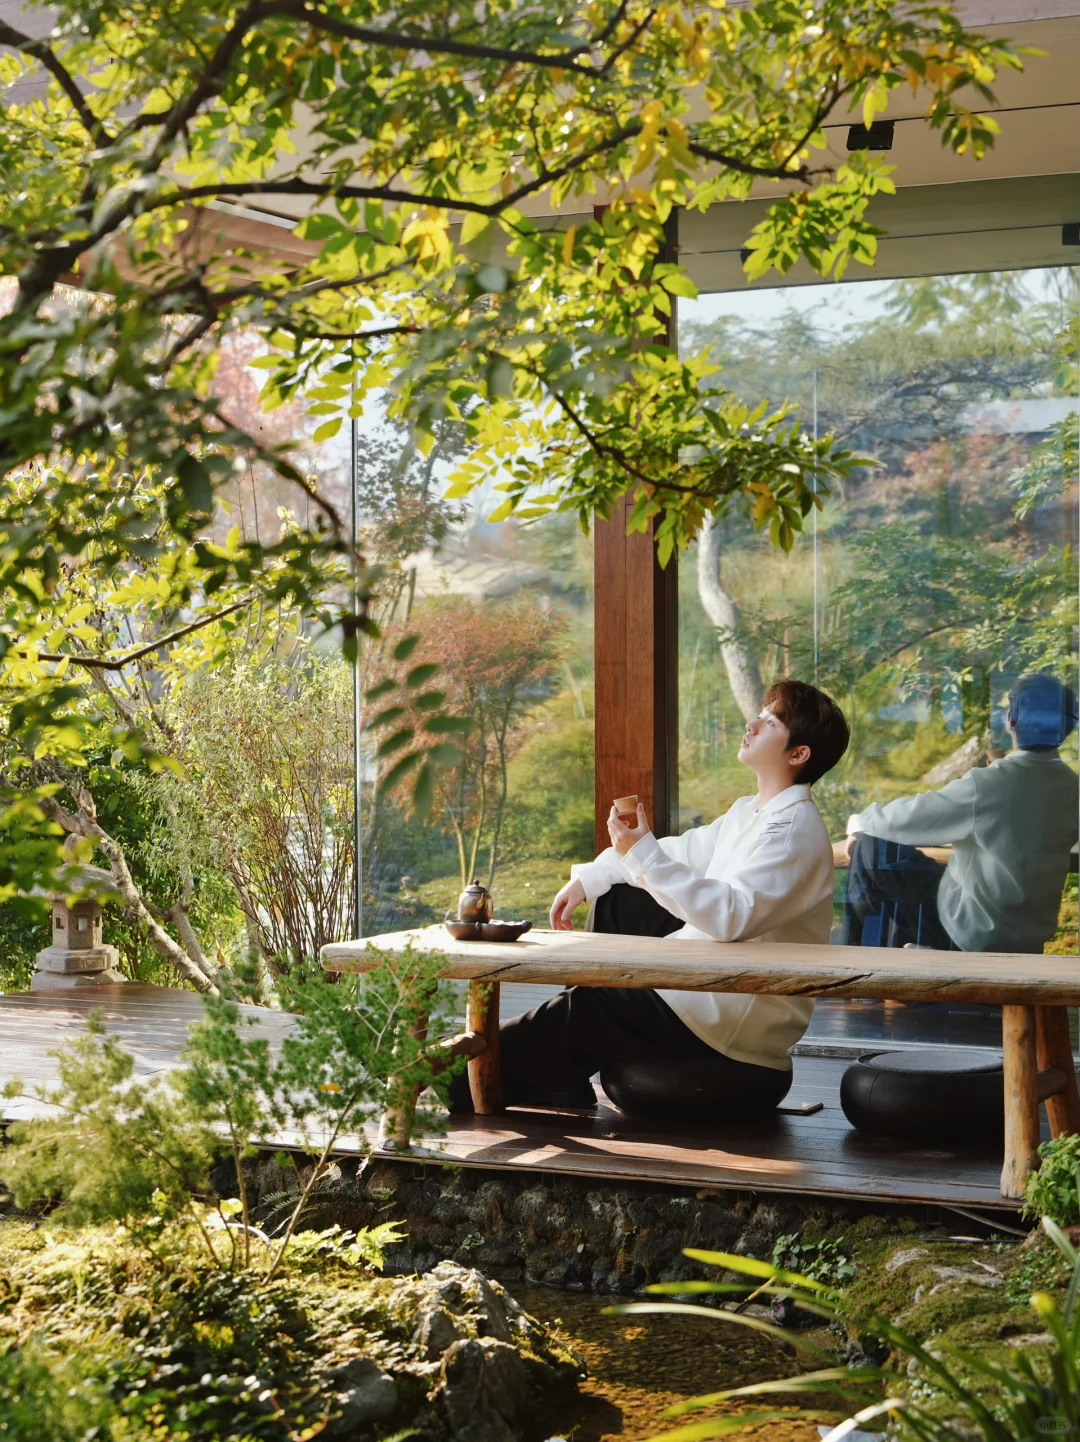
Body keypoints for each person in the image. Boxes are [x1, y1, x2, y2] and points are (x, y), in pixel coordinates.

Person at [448, 679, 850, 1115]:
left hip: (737, 1010)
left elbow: (731, 916)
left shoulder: (793, 830)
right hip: (710, 974)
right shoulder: (750, 811)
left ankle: (454, 1080)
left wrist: (640, 855)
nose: (752, 724)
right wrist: (594, 875)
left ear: (798, 754)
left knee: (598, 1001)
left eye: (770, 721)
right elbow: (681, 853)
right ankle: (560, 1078)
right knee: (619, 896)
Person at [842, 673, 1079, 954]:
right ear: (1066, 729)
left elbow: (909, 817)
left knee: (870, 846)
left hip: (972, 933)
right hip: (1027, 937)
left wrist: (858, 822)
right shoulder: (1071, 786)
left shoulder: (989, 784)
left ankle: (854, 962)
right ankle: (897, 953)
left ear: (1011, 720)